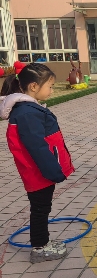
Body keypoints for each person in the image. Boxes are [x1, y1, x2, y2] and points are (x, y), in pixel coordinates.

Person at [0, 64, 75, 263]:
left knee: (42, 208)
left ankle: (42, 243)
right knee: (40, 209)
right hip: (38, 173)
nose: (52, 90)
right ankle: (40, 248)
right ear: (33, 86)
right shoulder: (27, 113)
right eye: (50, 86)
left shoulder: (27, 109)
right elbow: (37, 147)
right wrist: (54, 171)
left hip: (39, 171)